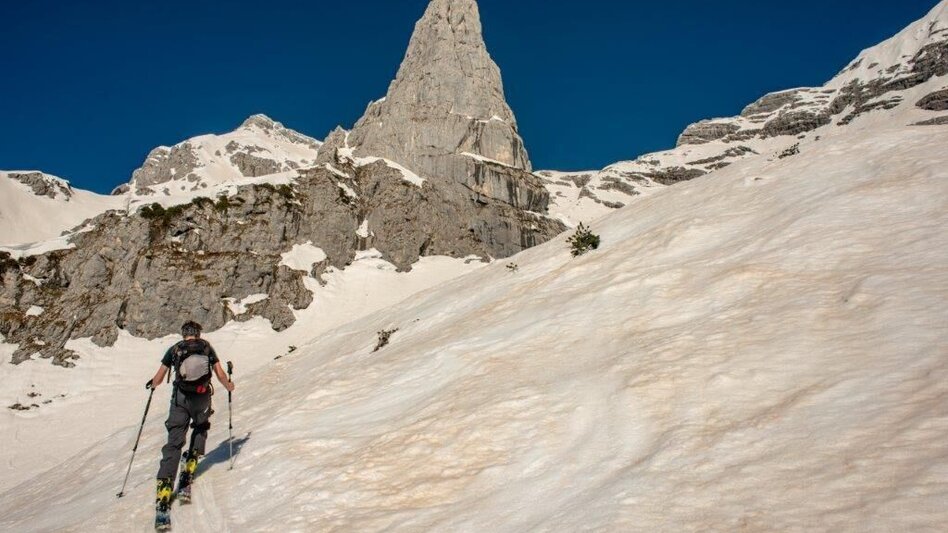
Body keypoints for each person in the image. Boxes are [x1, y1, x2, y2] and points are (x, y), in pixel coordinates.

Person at [148, 320, 234, 524]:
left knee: (174, 442)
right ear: (198, 332)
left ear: (183, 333)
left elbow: (159, 377)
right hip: (202, 397)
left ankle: (164, 490)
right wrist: (229, 385)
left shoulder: (175, 349)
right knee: (201, 427)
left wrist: (152, 385)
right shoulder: (206, 347)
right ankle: (190, 464)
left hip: (180, 399)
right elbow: (220, 373)